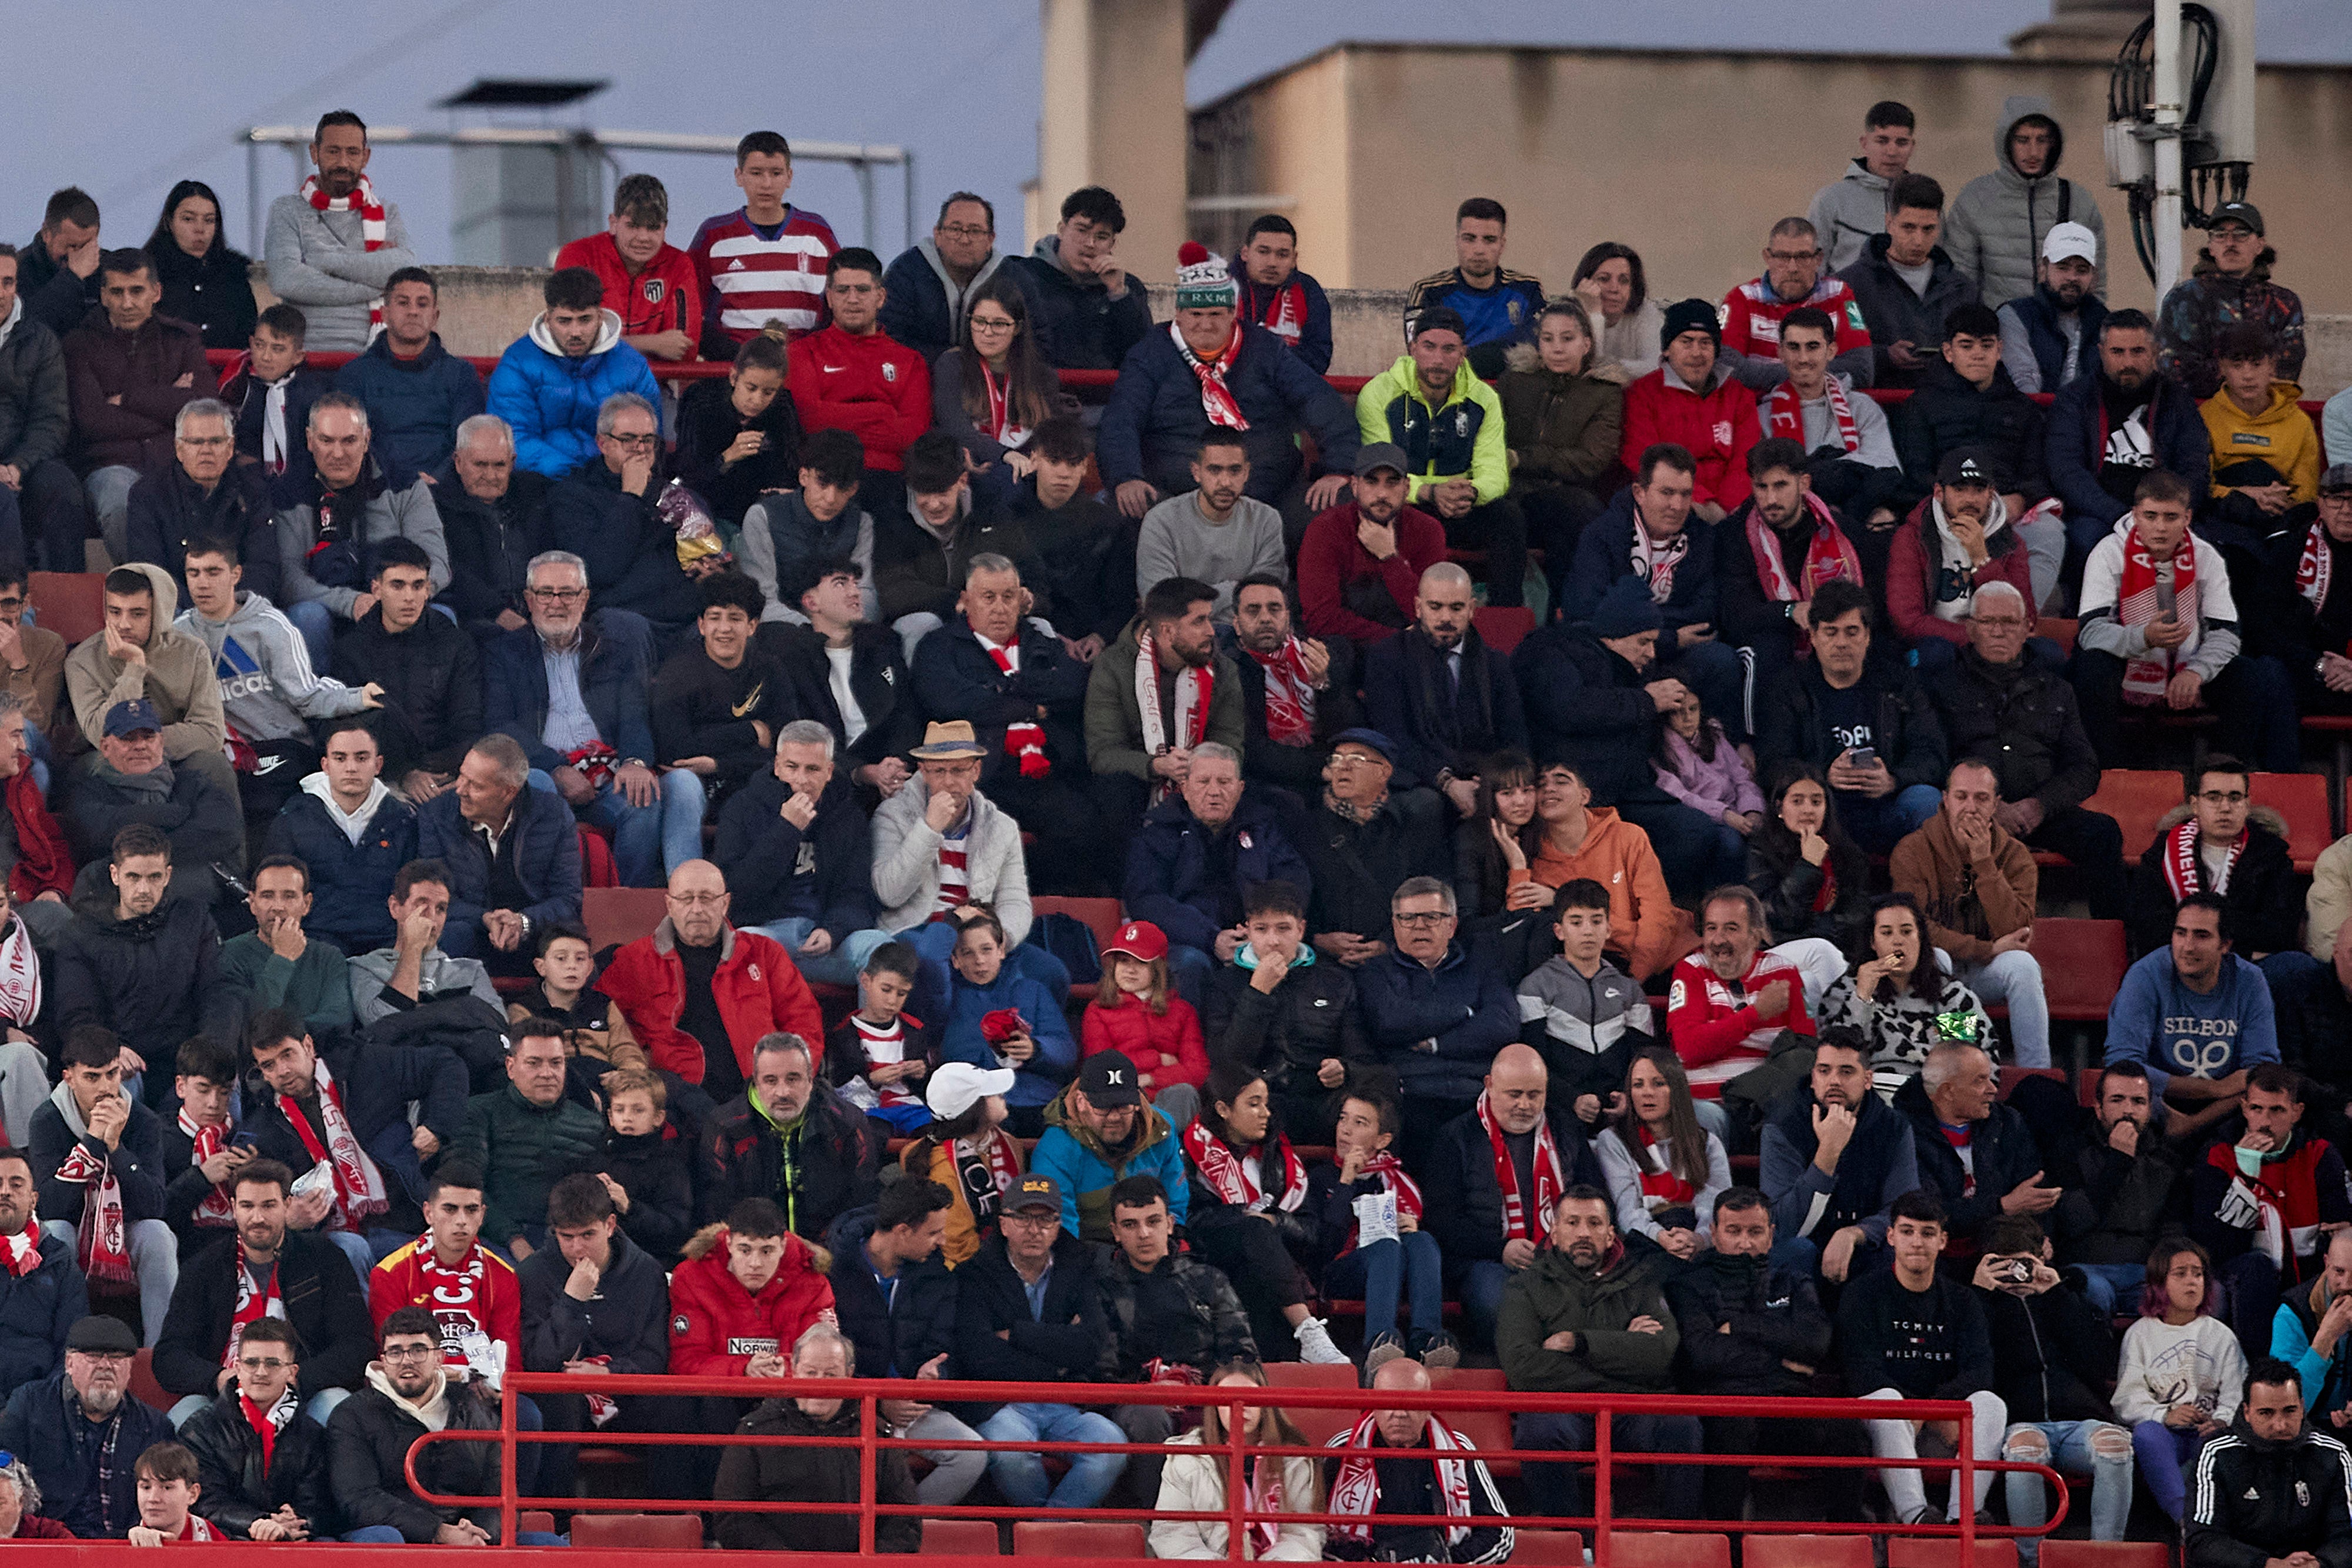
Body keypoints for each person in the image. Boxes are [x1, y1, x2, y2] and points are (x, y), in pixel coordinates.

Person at [483, 550, 697, 888]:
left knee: (642, 796)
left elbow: (634, 716)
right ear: (529, 599)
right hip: (547, 773)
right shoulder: (503, 653)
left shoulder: (613, 651)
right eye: (545, 593)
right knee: (533, 783)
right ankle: (550, 899)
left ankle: (628, 900)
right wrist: (554, 766)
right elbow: (500, 726)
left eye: (567, 593)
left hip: (606, 775)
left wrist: (635, 761)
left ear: (584, 599)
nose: (557, 603)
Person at [1101, 243, 1354, 528]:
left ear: (1233, 313)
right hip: (1176, 499)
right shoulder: (1150, 353)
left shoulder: (1266, 348)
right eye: (1196, 315)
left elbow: (1319, 402)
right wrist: (1126, 477)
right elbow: (1122, 420)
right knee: (1124, 507)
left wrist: (1339, 470)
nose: (1206, 325)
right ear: (1179, 314)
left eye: (1216, 314)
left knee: (1338, 504)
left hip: (1270, 496)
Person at [909, 551, 1112, 893]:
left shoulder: (1041, 642)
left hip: (1048, 773)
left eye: (1009, 597)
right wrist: (1034, 708)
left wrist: (1008, 686)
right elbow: (951, 700)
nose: (1000, 608)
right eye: (988, 598)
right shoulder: (940, 647)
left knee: (1087, 827)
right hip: (982, 779)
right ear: (965, 601)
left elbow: (1073, 685)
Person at [1499, 1185, 1700, 1522]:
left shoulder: (1641, 1280)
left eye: (1594, 1224)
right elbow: (1523, 1366)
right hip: (1563, 1409)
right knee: (1539, 1432)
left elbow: (1662, 1352)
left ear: (1610, 1234)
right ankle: (1569, 1543)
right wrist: (1623, 1351)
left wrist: (1579, 1343)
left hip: (1632, 1409)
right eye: (1573, 1223)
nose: (1583, 1233)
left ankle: (1681, 1539)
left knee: (1681, 1426)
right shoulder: (1524, 1286)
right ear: (1554, 1230)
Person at [1668, 1187, 1867, 1522]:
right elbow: (1703, 1353)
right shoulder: (1688, 1285)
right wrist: (1779, 1358)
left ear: (1772, 1236)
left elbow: (1816, 1343)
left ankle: (1845, 1537)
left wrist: (1740, 1326)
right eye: (1733, 1231)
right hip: (1724, 1403)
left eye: (1755, 1231)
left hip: (1788, 1402)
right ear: (1714, 1235)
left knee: (1848, 1433)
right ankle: (1726, 1546)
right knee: (1731, 1431)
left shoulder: (1792, 1280)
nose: (1745, 1242)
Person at [2078, 471, 2297, 771]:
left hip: (2188, 668)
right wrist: (2143, 639)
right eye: (2150, 516)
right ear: (2135, 514)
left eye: (2171, 517)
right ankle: (2108, 771)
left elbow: (2227, 633)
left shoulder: (2207, 557)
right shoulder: (2108, 553)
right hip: (2128, 664)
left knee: (2249, 676)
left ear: (2188, 518)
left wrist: (2196, 673)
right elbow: (2091, 632)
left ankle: (2222, 776)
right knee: (2091, 669)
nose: (2160, 527)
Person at [1930, 581, 2124, 917]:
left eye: (2009, 622)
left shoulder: (2058, 690)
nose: (1999, 632)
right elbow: (1933, 760)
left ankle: (2117, 942)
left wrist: (2040, 805)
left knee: (2103, 833)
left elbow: (2084, 768)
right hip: (1969, 816)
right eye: (1989, 622)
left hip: (2040, 814)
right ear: (1971, 629)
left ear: (2026, 629)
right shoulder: (1941, 687)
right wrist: (1987, 807)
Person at [948, 1167, 1128, 1507]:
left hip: (1066, 1401)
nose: (1034, 1230)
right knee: (1013, 1455)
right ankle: (1045, 1541)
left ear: (1059, 1226)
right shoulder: (974, 1274)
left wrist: (1016, 1334)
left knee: (1111, 1449)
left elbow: (1091, 1345)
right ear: (1003, 1224)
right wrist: (1058, 1350)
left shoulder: (1081, 1267)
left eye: (1046, 1220)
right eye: (1023, 1219)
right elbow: (978, 1353)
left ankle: (1043, 1534)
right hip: (1002, 1403)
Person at [240, 1008, 467, 1276]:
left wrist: (437, 1127)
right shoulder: (265, 1127)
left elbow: (445, 1064)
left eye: (287, 1054)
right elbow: (261, 1204)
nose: (283, 1071)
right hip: (341, 1239)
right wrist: (288, 1221)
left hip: (412, 1219)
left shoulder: (364, 1066)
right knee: (349, 1251)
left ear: (308, 1046)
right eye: (269, 1065)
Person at [178, 534, 379, 833]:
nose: (202, 583)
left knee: (270, 810)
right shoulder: (178, 635)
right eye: (193, 573)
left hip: (279, 745)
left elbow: (306, 695)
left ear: (235, 575)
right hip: (220, 755)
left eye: (213, 572)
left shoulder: (270, 626)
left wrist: (356, 698)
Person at [150, 1158, 375, 1424]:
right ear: (234, 1208)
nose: (258, 1218)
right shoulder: (203, 1267)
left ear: (288, 1205)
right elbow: (169, 1356)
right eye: (247, 1206)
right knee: (181, 1417)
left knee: (337, 1406)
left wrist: (297, 1376)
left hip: (304, 1391)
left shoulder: (326, 1259)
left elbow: (357, 1345)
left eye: (269, 1206)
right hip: (225, 1396)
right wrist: (217, 1378)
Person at [1835, 1189, 2007, 1524]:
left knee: (1990, 1403)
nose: (1917, 1242)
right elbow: (1862, 1370)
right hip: (1884, 1428)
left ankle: (1963, 1517)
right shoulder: (1862, 1294)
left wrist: (1932, 1412)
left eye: (1928, 1233)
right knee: (1886, 1399)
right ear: (1890, 1236)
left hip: (1943, 1427)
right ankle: (1915, 1517)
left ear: (1943, 1241)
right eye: (1907, 1231)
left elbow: (1980, 1371)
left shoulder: (1962, 1300)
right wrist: (1915, 1410)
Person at [327, 1304, 562, 1545]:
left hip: (467, 1537)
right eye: (395, 1352)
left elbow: (501, 1495)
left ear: (439, 1357)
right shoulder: (352, 1415)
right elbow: (359, 1500)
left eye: (418, 1350)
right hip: (396, 1538)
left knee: (550, 1545)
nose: (406, 1361)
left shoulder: (476, 1411)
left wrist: (478, 1536)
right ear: (384, 1361)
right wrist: (438, 1532)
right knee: (383, 1539)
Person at [1422, 1044, 1601, 1349]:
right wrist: (1500, 1248)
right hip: (1484, 1261)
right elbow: (1442, 1220)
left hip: (1564, 1257)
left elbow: (1595, 1195)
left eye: (1535, 1095)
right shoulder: (1456, 1137)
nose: (1525, 1105)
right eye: (1514, 1094)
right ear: (1490, 1085)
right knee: (1497, 1302)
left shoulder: (1566, 1130)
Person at [598, 861, 821, 1103]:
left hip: (759, 1096)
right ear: (669, 905)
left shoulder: (765, 954)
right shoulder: (634, 961)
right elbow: (604, 1024)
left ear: (725, 904)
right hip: (674, 1101)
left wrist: (788, 1083)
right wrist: (637, 1067)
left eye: (706, 898)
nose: (697, 909)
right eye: (686, 899)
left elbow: (804, 1025)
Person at [823, 1179, 988, 1509]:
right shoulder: (832, 1273)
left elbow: (947, 1347)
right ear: (901, 1231)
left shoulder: (937, 1274)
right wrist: (879, 1402)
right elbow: (824, 1364)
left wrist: (935, 1376)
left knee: (972, 1454)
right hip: (848, 1410)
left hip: (915, 1406)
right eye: (933, 1233)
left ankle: (902, 1529)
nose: (942, 1241)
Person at [1755, 578, 1947, 855]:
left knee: (1927, 801)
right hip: (1827, 809)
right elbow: (1773, 764)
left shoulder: (1899, 683)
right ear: (1813, 637)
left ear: (1868, 636)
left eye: (1852, 631)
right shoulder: (1788, 689)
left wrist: (1893, 778)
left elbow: (1933, 752)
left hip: (1888, 802)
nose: (1841, 643)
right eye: (1831, 633)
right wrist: (1822, 777)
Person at [1095, 1173, 1254, 1503]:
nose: (1144, 1234)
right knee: (1149, 1414)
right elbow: (1098, 1375)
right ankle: (1158, 1522)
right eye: (1130, 1225)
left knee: (1253, 1405)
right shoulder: (1100, 1291)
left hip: (1209, 1399)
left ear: (1170, 1223)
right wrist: (1148, 1391)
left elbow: (1243, 1357)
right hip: (1136, 1404)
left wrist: (1197, 1389)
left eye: (1153, 1222)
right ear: (1115, 1233)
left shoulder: (1209, 1280)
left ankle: (1246, 1521)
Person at [1178, 1062, 1348, 1363]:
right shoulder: (1189, 1154)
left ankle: (1300, 1347)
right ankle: (1308, 1330)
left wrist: (1274, 1221)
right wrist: (1245, 1217)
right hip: (1213, 1264)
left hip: (1274, 1274)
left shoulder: (1279, 1158)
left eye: (1266, 1104)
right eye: (1254, 1104)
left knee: (1260, 1249)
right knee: (1254, 1233)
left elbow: (1310, 1231)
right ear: (1223, 1109)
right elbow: (1190, 1222)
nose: (1265, 1113)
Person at [1889, 758, 2050, 1066]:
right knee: (1937, 958)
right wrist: (1986, 948)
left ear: (1996, 805)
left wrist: (1984, 864)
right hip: (1935, 975)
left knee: (2023, 965)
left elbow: (2016, 931)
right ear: (1946, 800)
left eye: (1982, 798)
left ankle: (2036, 1074)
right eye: (1961, 797)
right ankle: (1955, 1067)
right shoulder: (1912, 851)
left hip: (1985, 973)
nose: (1971, 807)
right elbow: (1915, 931)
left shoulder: (2017, 857)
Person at [270, 393, 450, 668]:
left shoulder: (405, 485)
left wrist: (397, 598)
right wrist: (351, 603)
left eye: (350, 441)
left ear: (367, 439)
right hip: (327, 607)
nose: (338, 453)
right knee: (308, 617)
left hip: (398, 602)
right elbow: (289, 580)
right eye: (326, 441)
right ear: (309, 440)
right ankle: (314, 710)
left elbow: (437, 564)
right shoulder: (290, 494)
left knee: (443, 616)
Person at [55, 824, 236, 1098]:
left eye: (154, 877)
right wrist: (110, 1051)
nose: (144, 889)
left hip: (186, 1059)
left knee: (220, 1075)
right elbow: (76, 1012)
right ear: (115, 875)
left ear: (168, 876)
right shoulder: (83, 933)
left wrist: (207, 1051)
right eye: (133, 877)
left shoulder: (193, 920)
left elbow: (218, 992)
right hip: (123, 1061)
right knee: (113, 1078)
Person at [1356, 307, 1521, 605]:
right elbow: (1378, 470)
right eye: (1429, 347)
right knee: (1374, 508)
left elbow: (1495, 471)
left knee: (1508, 516)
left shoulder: (1484, 398)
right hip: (1407, 504)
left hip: (1460, 504)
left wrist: (1472, 492)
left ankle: (1503, 619)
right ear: (1413, 348)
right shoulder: (1379, 393)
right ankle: (1397, 616)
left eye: (1449, 350)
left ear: (1463, 354)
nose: (1438, 359)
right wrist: (1430, 492)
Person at [1122, 743, 1308, 1004]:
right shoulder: (1158, 833)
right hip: (1188, 942)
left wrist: (1260, 929)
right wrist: (1212, 938)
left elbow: (1294, 881)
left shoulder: (1263, 828)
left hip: (1258, 936)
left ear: (1240, 788)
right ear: (1184, 788)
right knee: (1189, 963)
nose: (1214, 792)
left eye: (1224, 782)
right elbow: (1147, 900)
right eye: (1203, 782)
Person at [714, 1326, 923, 1555]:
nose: (820, 1384)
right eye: (811, 1373)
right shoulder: (755, 1430)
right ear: (793, 1370)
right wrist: (785, 1562)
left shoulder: (876, 1435)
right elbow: (733, 1517)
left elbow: (904, 1522)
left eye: (831, 1374)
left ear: (849, 1374)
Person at [64, 249, 216, 561]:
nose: (127, 303)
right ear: (103, 295)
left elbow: (203, 409)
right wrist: (170, 405)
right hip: (111, 465)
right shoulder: (79, 344)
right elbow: (94, 421)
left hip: (177, 463)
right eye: (117, 292)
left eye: (137, 291)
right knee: (122, 502)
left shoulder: (181, 339)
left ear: (156, 292)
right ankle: (146, 591)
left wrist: (130, 399)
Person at [714, 720, 889, 988]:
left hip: (824, 939)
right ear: (777, 766)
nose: (802, 780)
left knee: (882, 952)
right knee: (745, 944)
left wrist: (833, 930)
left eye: (813, 769)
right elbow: (736, 893)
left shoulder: (849, 817)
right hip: (768, 933)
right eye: (792, 767)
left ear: (829, 771)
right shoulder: (742, 808)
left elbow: (857, 892)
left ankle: (867, 1031)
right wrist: (787, 829)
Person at [2191, 1066, 2347, 1360]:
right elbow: (2216, 1247)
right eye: (2257, 1109)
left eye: (2277, 1110)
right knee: (2257, 1269)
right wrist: (2246, 1176)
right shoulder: (2218, 1156)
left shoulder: (2320, 1154)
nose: (2265, 1122)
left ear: (2297, 1112)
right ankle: (2263, 1372)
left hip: (2310, 1271)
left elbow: (2338, 1227)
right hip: (2240, 1271)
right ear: (2244, 1109)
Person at [1893, 303, 2056, 577]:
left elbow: (2036, 472)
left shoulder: (2022, 408)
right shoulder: (1921, 405)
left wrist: (2022, 497)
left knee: (2050, 532)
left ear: (2000, 349)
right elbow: (1916, 472)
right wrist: (1955, 503)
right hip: (1942, 509)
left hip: (2007, 510)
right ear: (1948, 352)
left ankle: (2021, 617)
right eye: (1967, 346)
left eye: (1987, 345)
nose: (1978, 354)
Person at [1207, 878, 1367, 1146]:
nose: (1273, 941)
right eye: (1262, 929)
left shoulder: (1335, 981)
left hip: (1322, 1098)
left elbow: (1363, 1055)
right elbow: (1228, 1063)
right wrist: (1257, 993)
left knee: (1378, 1097)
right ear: (1248, 931)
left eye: (1284, 929)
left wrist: (1345, 1068)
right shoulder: (1224, 984)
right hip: (1260, 1100)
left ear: (1301, 929)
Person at [2048, 310, 2214, 566]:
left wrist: (2166, 516)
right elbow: (2066, 470)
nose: (2128, 362)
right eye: (2118, 352)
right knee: (2085, 541)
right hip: (2098, 514)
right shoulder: (2076, 398)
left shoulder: (2177, 401)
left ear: (2155, 351)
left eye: (2138, 351)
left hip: (2166, 512)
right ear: (2102, 352)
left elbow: (2195, 467)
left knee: (2209, 546)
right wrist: (2119, 516)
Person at [2108, 892, 2281, 1135]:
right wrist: (2214, 1089)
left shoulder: (2249, 981)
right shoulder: (2145, 975)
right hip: (2158, 1106)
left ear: (2225, 945)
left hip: (2226, 1111)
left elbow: (2262, 1073)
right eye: (2180, 933)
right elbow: (2123, 1065)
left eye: (2201, 935)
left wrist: (2195, 1123)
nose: (2188, 947)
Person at [64, 563, 236, 807]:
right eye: (115, 612)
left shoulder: (192, 651)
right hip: (109, 762)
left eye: (137, 614)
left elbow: (210, 732)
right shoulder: (82, 660)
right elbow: (97, 733)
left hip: (176, 755)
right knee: (91, 769)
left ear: (159, 612)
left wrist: (147, 746)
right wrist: (134, 668)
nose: (123, 624)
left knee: (214, 765)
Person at [1358, 877, 1519, 1132]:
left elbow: (1503, 1025)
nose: (1419, 927)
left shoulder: (1482, 966)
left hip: (1476, 1094)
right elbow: (1390, 1022)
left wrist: (1436, 1044)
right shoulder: (1375, 972)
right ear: (1395, 925)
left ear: (1452, 925)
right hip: (1409, 1096)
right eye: (1408, 918)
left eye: (1431, 917)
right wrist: (1464, 1013)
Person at [1084, 575, 1244, 828]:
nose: (1211, 631)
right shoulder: (1113, 667)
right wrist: (1156, 766)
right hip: (1140, 780)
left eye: (1210, 619)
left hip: (1205, 776)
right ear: (1168, 631)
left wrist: (1200, 769)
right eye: (1199, 622)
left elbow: (1230, 741)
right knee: (1115, 792)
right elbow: (1103, 754)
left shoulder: (1223, 669)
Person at [1323, 1354, 1515, 1565]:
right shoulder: (1342, 1449)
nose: (1400, 1413)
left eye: (1411, 1402)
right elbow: (1313, 1530)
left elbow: (1500, 1532)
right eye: (1388, 1401)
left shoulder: (1460, 1449)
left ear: (1428, 1405)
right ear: (1372, 1404)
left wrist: (1452, 1562)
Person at [412, 734, 582, 969]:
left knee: (569, 946)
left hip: (533, 933)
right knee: (450, 934)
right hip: (471, 930)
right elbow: (434, 894)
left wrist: (522, 922)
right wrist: (485, 919)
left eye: (476, 785)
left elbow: (568, 899)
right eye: (462, 775)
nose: (460, 789)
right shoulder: (436, 815)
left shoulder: (553, 814)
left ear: (509, 792)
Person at [542, 392, 703, 636]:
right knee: (625, 627)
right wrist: (631, 498)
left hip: (683, 614)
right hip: (623, 617)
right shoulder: (571, 496)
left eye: (648, 440)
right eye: (628, 439)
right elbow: (599, 570)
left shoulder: (674, 494)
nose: (640, 449)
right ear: (603, 444)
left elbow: (708, 558)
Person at [1665, 884, 1831, 1118]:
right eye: (1711, 928)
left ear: (1755, 936)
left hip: (1765, 1107)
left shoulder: (1784, 973)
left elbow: (1803, 1050)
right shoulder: (1691, 969)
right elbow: (1689, 1048)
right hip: (1708, 1108)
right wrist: (1756, 1015)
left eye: (1731, 929)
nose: (1718, 940)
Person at [328, 543, 479, 797]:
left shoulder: (455, 644)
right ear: (377, 589)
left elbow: (467, 722)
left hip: (449, 773)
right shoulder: (351, 650)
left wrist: (445, 775)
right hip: (379, 775)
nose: (409, 597)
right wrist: (404, 773)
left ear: (428, 590)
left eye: (418, 585)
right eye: (398, 585)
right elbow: (348, 728)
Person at [262, 112, 420, 355]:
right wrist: (375, 286)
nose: (343, 162)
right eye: (334, 151)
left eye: (353, 152)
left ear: (365, 157)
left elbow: (406, 272)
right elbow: (287, 280)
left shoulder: (388, 212)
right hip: (306, 356)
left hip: (374, 356)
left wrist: (324, 261)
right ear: (315, 153)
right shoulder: (287, 210)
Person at [1364, 563, 1526, 799]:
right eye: (1436, 607)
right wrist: (1447, 782)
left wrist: (1495, 783)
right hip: (1419, 780)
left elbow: (1514, 735)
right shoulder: (1388, 657)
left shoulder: (1495, 664)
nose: (1446, 618)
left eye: (1457, 608)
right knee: (1425, 804)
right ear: (1419, 608)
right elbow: (1393, 737)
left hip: (1485, 778)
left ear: (1472, 609)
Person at [57, 698, 240, 908]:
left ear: (161, 743)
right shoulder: (88, 792)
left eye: (148, 737)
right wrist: (174, 815)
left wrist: (139, 847)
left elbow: (226, 832)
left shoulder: (192, 783)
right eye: (128, 738)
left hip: (204, 908)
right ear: (105, 747)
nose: (140, 745)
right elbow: (95, 836)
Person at [0, 1314, 172, 1537]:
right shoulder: (30, 1405)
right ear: (69, 1363)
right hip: (45, 1543)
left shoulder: (155, 1427)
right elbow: (5, 1472)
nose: (106, 1366)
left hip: (124, 1548)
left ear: (130, 1368)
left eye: (117, 1358)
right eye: (93, 1357)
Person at [700, 1031, 880, 1241]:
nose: (783, 1092)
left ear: (811, 1081)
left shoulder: (847, 1123)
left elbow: (862, 1200)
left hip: (826, 1252)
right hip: (751, 1252)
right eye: (771, 1081)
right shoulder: (725, 1127)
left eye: (793, 1079)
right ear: (756, 1083)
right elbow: (717, 1207)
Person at [484, 268, 660, 482]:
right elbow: (514, 437)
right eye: (565, 321)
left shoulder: (632, 365)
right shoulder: (518, 362)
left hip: (613, 482)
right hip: (542, 486)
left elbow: (648, 439)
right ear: (548, 319)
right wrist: (575, 478)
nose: (575, 332)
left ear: (600, 317)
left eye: (585, 320)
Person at [2114, 1238, 2244, 1525]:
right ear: (2160, 1283)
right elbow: (2127, 1398)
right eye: (2181, 1273)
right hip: (2166, 1434)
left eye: (2198, 1274)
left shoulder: (2221, 1336)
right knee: (2146, 1434)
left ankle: (2203, 1521)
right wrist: (2164, 1415)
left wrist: (2222, 1420)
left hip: (2207, 1431)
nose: (2192, 1282)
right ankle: (2188, 1522)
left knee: (2221, 1443)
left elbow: (2236, 1394)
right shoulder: (2140, 1335)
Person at [260, 724, 414, 963]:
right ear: (325, 765)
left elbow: (413, 888)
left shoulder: (403, 819)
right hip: (315, 938)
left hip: (387, 939)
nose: (351, 768)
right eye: (340, 758)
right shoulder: (293, 816)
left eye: (361, 758)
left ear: (378, 765)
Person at [1499, 297, 1624, 590]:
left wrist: (1523, 458)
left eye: (1567, 339)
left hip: (1561, 492)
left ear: (1586, 344)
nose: (1557, 348)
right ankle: (1505, 613)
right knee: (1502, 514)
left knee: (1576, 511)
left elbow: (1591, 459)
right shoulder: (1515, 382)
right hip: (1508, 490)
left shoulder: (1603, 392)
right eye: (1548, 339)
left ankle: (1562, 613)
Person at [452, 1024, 605, 1261]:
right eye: (534, 1063)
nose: (547, 1073)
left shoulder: (591, 1124)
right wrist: (514, 1238)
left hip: (568, 1242)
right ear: (511, 1067)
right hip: (490, 1240)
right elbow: (463, 1186)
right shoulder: (477, 1112)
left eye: (556, 1063)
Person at [2129, 757, 2304, 965]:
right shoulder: (2162, 853)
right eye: (2213, 797)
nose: (2225, 808)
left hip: (2247, 967)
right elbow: (2149, 925)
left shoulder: (2271, 853)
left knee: (2298, 968)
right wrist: (2231, 937)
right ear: (2195, 805)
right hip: (2179, 964)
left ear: (2247, 805)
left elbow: (2279, 930)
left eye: (2235, 798)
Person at [175, 1316, 336, 1540]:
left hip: (296, 1541)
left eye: (272, 1363)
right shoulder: (200, 1430)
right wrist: (260, 1522)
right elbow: (204, 1503)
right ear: (237, 1368)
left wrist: (300, 1521)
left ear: (292, 1372)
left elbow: (322, 1505)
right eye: (251, 1363)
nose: (261, 1372)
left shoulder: (313, 1434)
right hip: (228, 1541)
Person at [1150, 1358, 1327, 1560]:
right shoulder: (1188, 1457)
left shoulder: (1294, 1458)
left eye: (1250, 1396)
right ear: (1215, 1407)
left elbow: (1303, 1534)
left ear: (1265, 1403)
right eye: (1226, 1398)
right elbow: (1173, 1533)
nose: (1239, 1406)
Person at [650, 569, 795, 814]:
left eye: (735, 618)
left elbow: (788, 744)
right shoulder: (677, 673)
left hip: (755, 780)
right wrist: (753, 730)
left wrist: (719, 763)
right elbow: (676, 751)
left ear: (752, 626)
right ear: (701, 625)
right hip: (699, 788)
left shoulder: (769, 669)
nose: (724, 628)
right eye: (715, 618)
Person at [2184, 1356, 2352, 1568]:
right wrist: (2267, 1565)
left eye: (2289, 1411)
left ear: (2302, 1407)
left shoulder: (2333, 1455)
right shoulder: (2216, 1453)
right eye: (2266, 1413)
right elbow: (2202, 1540)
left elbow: (2346, 1537)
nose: (2280, 1425)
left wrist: (2318, 1564)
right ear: (2247, 1412)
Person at [1943, 96, 2109, 311]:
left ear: (2053, 143)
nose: (2033, 152)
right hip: (1997, 334)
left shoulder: (2079, 201)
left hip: (2062, 334)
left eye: (2042, 140)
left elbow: (2097, 282)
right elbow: (1961, 283)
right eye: (2023, 140)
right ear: (2006, 143)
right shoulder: (1975, 199)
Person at [786, 249, 930, 495]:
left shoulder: (910, 361)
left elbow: (912, 436)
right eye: (843, 290)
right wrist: (881, 411)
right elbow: (810, 421)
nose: (853, 299)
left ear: (881, 297)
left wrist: (838, 416)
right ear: (829, 298)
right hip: (824, 484)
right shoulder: (802, 352)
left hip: (889, 485)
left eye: (863, 290)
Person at [1820, 892, 1993, 1097]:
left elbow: (1972, 1055)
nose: (1898, 942)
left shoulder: (1949, 995)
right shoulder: (1846, 991)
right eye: (1887, 933)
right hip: (1873, 1096)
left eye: (1906, 932)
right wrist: (1862, 999)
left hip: (1937, 1098)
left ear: (1920, 938)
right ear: (1873, 943)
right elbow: (1839, 1056)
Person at [1887, 450, 2043, 674]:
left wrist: (1982, 559)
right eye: (1959, 490)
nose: (1970, 499)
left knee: (2047, 653)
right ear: (1939, 493)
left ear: (1991, 494)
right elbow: (1907, 621)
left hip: (1997, 640)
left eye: (1978, 490)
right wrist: (1978, 635)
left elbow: (2026, 617)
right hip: (1938, 642)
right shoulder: (1913, 536)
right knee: (1937, 653)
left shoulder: (2010, 541)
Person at [686, 131, 839, 358]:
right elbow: (688, 307)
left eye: (776, 173)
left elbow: (838, 305)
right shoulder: (713, 234)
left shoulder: (817, 232)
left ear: (789, 177)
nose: (766, 184)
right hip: (732, 373)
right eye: (756, 173)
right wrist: (737, 356)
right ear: (739, 176)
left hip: (802, 370)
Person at [1514, 876, 1656, 1118]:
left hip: (1620, 1112)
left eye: (1597, 921)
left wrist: (1628, 1096)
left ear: (1609, 929)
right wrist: (1571, 1100)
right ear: (1559, 931)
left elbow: (1641, 1055)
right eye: (1576, 922)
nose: (1588, 931)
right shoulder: (1534, 987)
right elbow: (1532, 1059)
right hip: (1558, 1112)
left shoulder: (1630, 990)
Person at [1894, 1040, 2056, 1253]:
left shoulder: (2007, 1123)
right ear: (1947, 1092)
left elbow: (2035, 1193)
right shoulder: (1903, 1134)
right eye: (1980, 1081)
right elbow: (1927, 1214)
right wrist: (2002, 1206)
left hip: (2006, 1246)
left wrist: (2041, 1235)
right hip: (1935, 1257)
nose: (1993, 1089)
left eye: (1990, 1078)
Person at [1003, 414, 1138, 658]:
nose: (1063, 473)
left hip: (1096, 647)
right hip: (1024, 641)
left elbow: (1123, 599)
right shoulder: (1006, 520)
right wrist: (1050, 636)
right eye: (1054, 462)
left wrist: (1101, 637)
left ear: (1086, 466)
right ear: (1034, 459)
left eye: (1073, 463)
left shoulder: (1110, 525)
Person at [329, 268, 484, 477]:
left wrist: (436, 481)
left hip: (445, 491)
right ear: (385, 313)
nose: (413, 311)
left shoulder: (461, 375)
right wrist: (401, 482)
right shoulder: (354, 376)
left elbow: (469, 443)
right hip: (377, 491)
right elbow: (353, 445)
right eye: (403, 303)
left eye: (422, 304)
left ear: (435, 315)